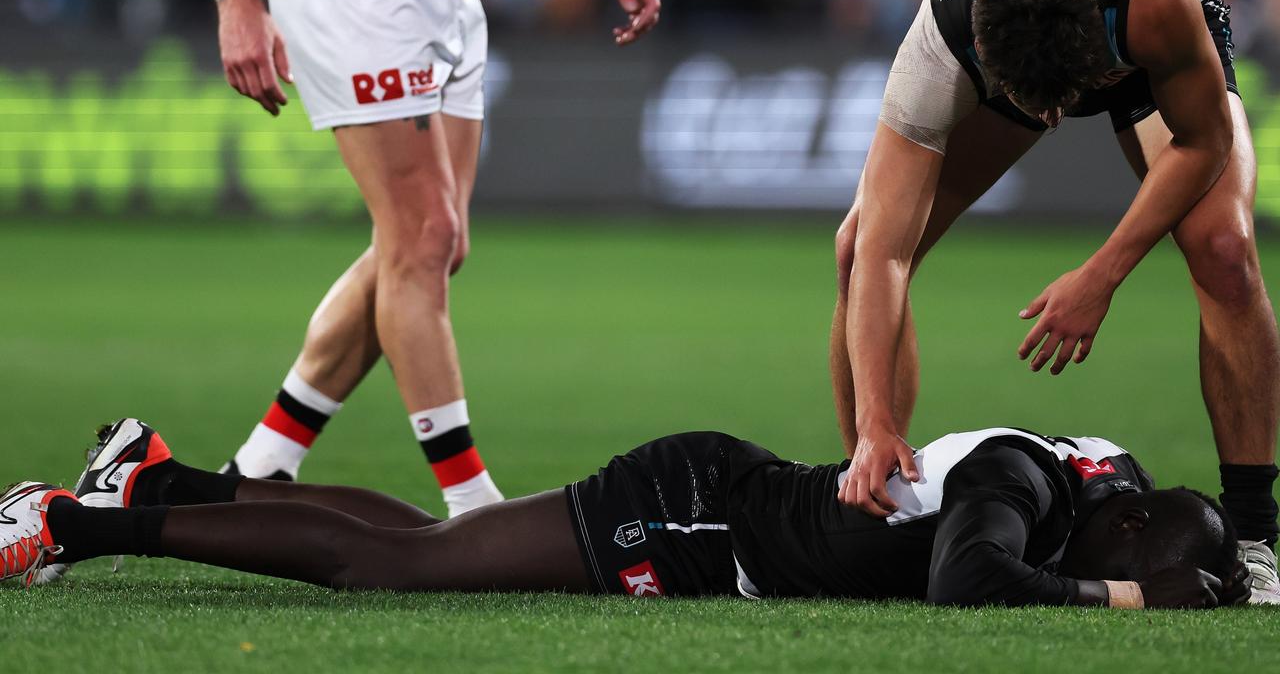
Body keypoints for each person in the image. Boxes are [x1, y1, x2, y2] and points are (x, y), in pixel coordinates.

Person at [828, 0, 1280, 602]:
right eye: (1036, 109)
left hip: (1137, 53)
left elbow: (1203, 140)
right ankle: (878, 503)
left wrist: (1102, 275)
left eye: (1061, 105)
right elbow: (883, 254)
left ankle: (1256, 538)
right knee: (854, 247)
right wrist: (872, 422)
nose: (1052, 124)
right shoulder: (945, 37)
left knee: (1225, 251)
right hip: (1029, 55)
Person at [205, 0, 661, 516]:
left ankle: (265, 459)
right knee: (423, 238)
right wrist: (238, 1)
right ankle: (472, 503)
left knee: (436, 244)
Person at [4, 418, 1249, 608]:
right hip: (694, 514)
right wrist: (1119, 599)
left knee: (422, 543)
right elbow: (964, 580)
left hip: (722, 500)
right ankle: (70, 521)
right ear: (1119, 527)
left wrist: (1226, 577)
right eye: (1118, 554)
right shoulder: (1023, 487)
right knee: (394, 571)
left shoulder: (1103, 484)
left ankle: (159, 478)